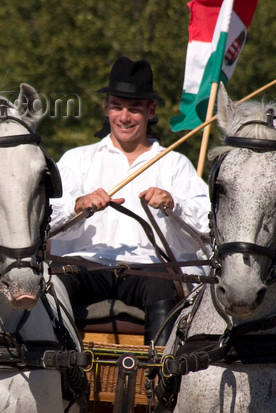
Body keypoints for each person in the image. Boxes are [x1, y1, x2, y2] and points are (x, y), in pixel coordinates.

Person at [49, 57, 210, 346]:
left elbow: (205, 229)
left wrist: (174, 204)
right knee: (54, 280)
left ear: (151, 111)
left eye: (134, 109)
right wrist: (77, 205)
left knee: (163, 285)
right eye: (117, 107)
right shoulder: (77, 160)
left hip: (147, 268)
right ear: (106, 107)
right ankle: (60, 370)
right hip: (88, 265)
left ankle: (159, 377)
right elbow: (44, 217)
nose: (124, 117)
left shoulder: (174, 164)